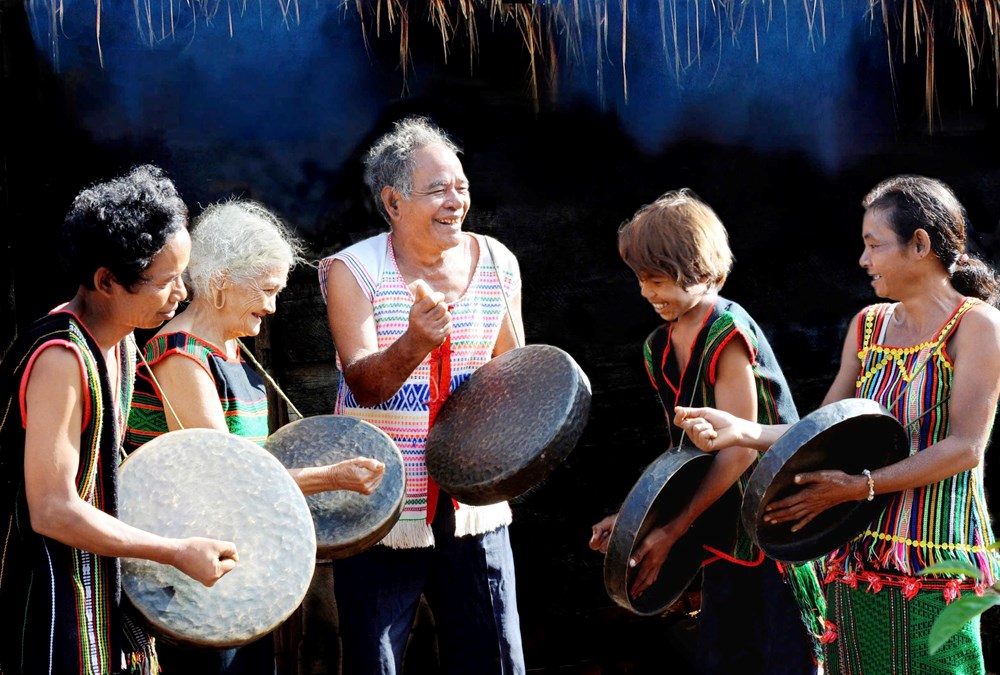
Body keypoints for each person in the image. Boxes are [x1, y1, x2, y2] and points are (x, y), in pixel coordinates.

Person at [676, 175, 1000, 674]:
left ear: (920, 245)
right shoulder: (867, 326)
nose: (863, 260)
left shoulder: (977, 326)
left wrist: (859, 487)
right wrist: (741, 430)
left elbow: (964, 448)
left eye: (874, 245)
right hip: (855, 560)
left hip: (937, 561)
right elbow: (821, 432)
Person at [124, 198, 386, 674]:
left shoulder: (233, 350)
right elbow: (229, 478)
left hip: (233, 562)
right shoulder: (180, 355)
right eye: (266, 290)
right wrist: (330, 476)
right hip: (186, 575)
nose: (271, 305)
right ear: (221, 283)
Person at [0, 165, 238, 675]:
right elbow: (53, 510)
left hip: (105, 587)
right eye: (165, 281)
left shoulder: (123, 343)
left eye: (184, 276)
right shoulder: (61, 359)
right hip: (50, 594)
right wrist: (174, 551)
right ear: (106, 280)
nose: (181, 295)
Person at [319, 115, 526, 674]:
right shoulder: (353, 270)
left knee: (495, 655)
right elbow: (364, 381)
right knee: (375, 659)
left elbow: (512, 375)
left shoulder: (499, 263)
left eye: (460, 185)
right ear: (392, 201)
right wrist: (414, 342)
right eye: (437, 189)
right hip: (381, 498)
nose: (455, 200)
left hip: (473, 502)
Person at [587, 189, 824, 674]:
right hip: (721, 532)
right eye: (640, 279)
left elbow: (736, 451)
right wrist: (637, 516)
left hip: (768, 523)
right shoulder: (659, 346)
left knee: (783, 658)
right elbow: (682, 454)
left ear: (697, 268)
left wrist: (673, 529)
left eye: (656, 278)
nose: (647, 292)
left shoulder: (728, 333)